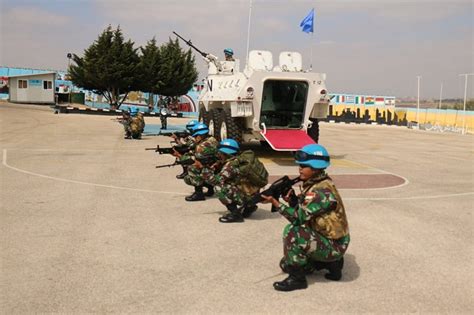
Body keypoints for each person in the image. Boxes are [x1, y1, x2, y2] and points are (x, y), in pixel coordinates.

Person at [261, 144, 350, 292]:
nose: (300, 169)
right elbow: (310, 211)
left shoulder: (320, 191)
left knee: (293, 232)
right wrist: (293, 201)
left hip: (334, 245)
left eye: (304, 166)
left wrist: (276, 203)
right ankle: (331, 264)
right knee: (286, 264)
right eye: (300, 165)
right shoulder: (319, 183)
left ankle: (298, 280)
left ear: (315, 168)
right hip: (334, 241)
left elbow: (298, 219)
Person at [202, 139, 268, 223]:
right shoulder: (241, 160)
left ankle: (235, 214)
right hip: (253, 194)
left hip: (247, 196)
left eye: (221, 153)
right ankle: (249, 207)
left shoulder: (230, 165)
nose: (219, 155)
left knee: (218, 188)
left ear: (225, 153)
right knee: (231, 183)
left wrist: (205, 170)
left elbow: (215, 181)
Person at [183, 123, 219, 201]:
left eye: (196, 136)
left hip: (212, 170)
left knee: (192, 169)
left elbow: (196, 158)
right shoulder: (212, 140)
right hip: (216, 166)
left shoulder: (202, 145)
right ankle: (210, 189)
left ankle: (199, 194)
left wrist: (180, 156)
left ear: (200, 135)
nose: (195, 137)